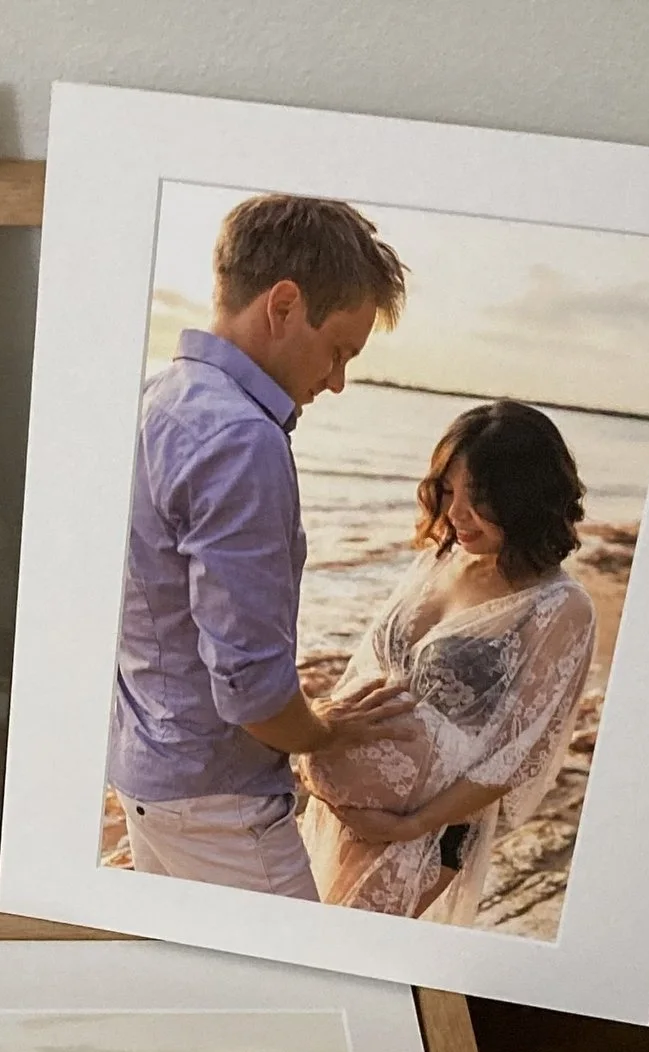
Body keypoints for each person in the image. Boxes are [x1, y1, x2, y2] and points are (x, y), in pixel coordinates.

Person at [107, 194, 417, 897]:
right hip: (219, 806)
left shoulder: (154, 399)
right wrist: (325, 730)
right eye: (339, 350)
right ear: (283, 305)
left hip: (147, 773)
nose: (336, 381)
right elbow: (251, 692)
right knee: (296, 995)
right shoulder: (242, 439)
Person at [298, 400, 597, 923]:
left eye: (478, 498)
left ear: (525, 500)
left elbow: (518, 755)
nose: (456, 514)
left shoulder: (560, 608)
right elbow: (366, 667)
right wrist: (317, 735)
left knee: (346, 952)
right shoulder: (439, 557)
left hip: (426, 834)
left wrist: (408, 827)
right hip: (335, 812)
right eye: (447, 491)